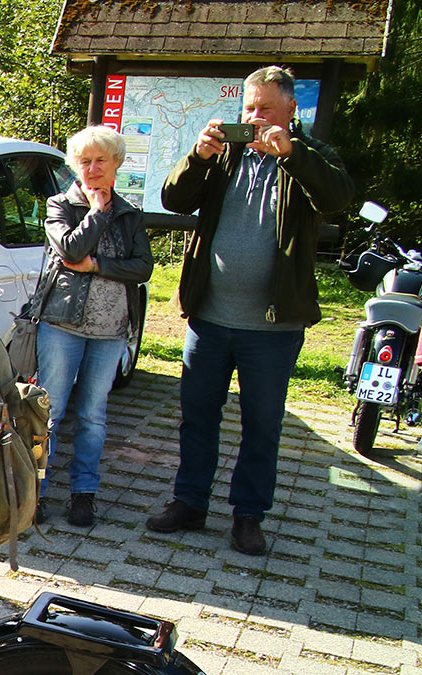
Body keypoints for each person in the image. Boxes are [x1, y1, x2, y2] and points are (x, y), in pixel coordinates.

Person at [147, 65, 353, 555]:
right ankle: (190, 502)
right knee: (198, 416)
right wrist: (197, 157)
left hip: (273, 325)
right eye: (249, 107)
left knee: (263, 424)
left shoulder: (311, 155)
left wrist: (293, 155)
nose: (254, 116)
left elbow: (339, 198)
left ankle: (248, 515)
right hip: (210, 316)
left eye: (264, 108)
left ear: (289, 109)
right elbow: (174, 198)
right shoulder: (225, 152)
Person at [36, 125, 153, 529]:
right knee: (50, 412)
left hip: (110, 330)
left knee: (92, 415)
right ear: (74, 166)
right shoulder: (60, 205)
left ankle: (83, 495)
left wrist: (100, 266)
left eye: (100, 159)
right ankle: (34, 492)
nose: (92, 168)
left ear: (116, 163)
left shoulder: (131, 214)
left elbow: (143, 267)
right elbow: (70, 248)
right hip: (61, 326)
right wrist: (98, 214)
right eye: (84, 161)